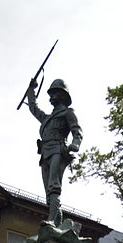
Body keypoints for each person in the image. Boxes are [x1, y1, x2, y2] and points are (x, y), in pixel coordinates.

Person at [27, 78, 83, 227]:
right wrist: (31, 90)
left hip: (58, 150)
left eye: (55, 93)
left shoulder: (68, 113)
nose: (51, 97)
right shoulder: (47, 119)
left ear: (63, 95)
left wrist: (74, 144)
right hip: (45, 153)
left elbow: (77, 131)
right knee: (48, 190)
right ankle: (57, 221)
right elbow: (33, 108)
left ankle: (52, 220)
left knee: (54, 186)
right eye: (50, 94)